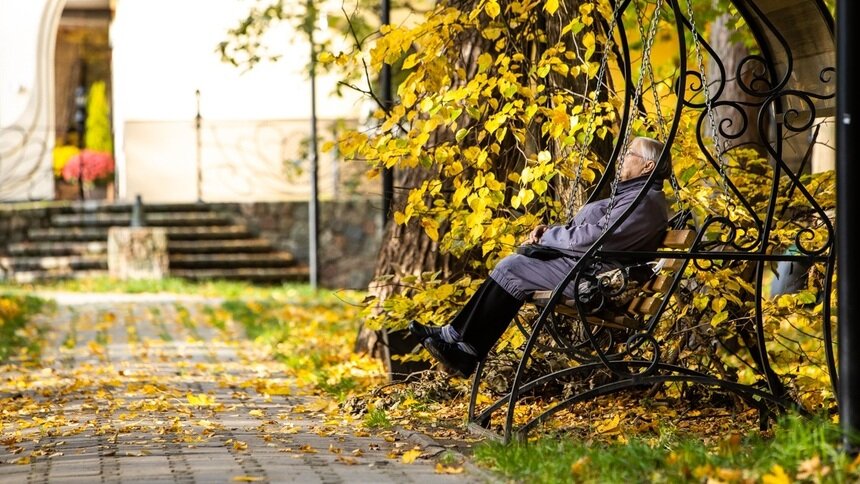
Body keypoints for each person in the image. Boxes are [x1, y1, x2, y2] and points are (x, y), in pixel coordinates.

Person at [409, 136, 672, 378]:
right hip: (586, 267)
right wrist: (551, 231)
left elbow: (596, 237)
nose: (621, 158)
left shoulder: (644, 202)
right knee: (514, 265)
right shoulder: (636, 196)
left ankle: (462, 347)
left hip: (595, 279)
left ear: (647, 167)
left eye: (628, 154)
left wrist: (548, 238)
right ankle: (458, 340)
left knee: (514, 267)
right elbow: (593, 232)